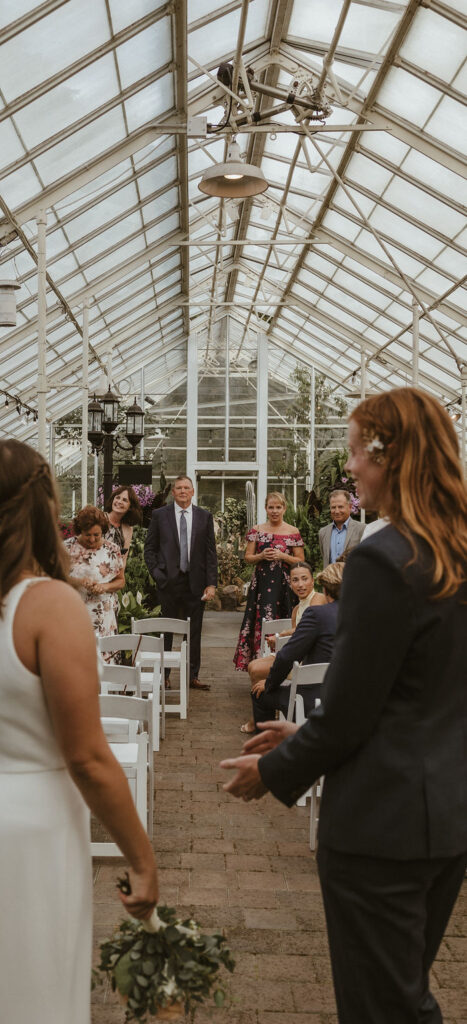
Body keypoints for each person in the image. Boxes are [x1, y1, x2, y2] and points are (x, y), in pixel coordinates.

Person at [221, 388, 467, 1024]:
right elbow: (409, 694)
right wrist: (298, 740)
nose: (351, 471)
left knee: (381, 1007)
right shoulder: (457, 553)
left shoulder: (385, 560)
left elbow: (351, 712)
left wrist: (274, 770)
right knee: (406, 998)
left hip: (380, 829)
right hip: (447, 816)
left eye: (358, 453)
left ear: (390, 457)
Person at [0, 440, 158, 1024]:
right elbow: (88, 758)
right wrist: (142, 858)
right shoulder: (52, 605)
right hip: (27, 822)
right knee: (33, 983)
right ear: (42, 508)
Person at [144, 474, 217, 690]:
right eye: (179, 488)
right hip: (168, 582)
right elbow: (150, 549)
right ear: (173, 492)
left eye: (187, 487)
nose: (183, 491)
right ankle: (164, 676)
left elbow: (210, 553)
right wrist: (158, 574)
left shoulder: (204, 516)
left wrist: (211, 583)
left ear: (193, 492)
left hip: (196, 583)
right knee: (165, 631)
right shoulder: (160, 515)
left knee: (194, 631)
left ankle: (192, 676)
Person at [249, 561, 342, 724]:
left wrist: (270, 684)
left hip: (317, 697)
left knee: (259, 693)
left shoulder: (316, 613)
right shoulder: (365, 615)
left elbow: (287, 656)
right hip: (354, 696)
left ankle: (269, 745)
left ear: (325, 590)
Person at [233, 492, 304, 673]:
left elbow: (300, 561)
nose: (274, 511)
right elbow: (248, 558)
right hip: (262, 586)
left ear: (284, 509)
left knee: (287, 620)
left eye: (278, 507)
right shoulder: (256, 531)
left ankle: (285, 667)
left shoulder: (293, 532)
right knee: (263, 620)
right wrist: (261, 556)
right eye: (271, 507)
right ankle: (260, 667)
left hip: (286, 585)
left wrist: (282, 556)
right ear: (266, 509)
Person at [64, 506, 125, 654]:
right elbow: (56, 579)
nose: (92, 539)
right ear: (80, 531)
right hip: (74, 613)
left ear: (103, 531)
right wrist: (77, 582)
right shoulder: (66, 548)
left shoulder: (113, 549)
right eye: (87, 535)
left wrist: (104, 587)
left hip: (103, 617)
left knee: (104, 664)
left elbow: (121, 581)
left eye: (96, 535)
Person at [318, 490, 364, 567]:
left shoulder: (362, 530)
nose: (336, 511)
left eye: (340, 507)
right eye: (333, 507)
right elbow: (325, 558)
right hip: (330, 578)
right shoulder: (323, 532)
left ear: (350, 507)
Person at [104, 484, 142, 563]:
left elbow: (123, 561)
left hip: (114, 573)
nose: (119, 502)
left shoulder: (128, 529)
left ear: (130, 507)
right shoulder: (100, 518)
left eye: (125, 500)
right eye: (117, 497)